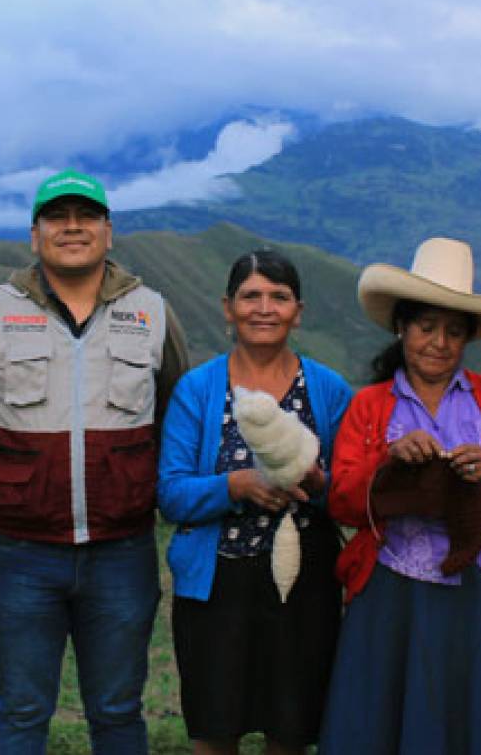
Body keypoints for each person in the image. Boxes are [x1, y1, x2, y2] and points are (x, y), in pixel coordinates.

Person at [0, 168, 190, 754]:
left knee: (117, 710)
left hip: (122, 550)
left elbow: (176, 408)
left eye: (86, 216)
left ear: (109, 232)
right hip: (20, 553)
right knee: (22, 710)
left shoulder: (152, 310)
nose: (72, 227)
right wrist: (7, 461)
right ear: (35, 235)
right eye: (57, 217)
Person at [321, 236, 481, 755]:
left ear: (469, 339)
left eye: (454, 331)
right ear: (401, 327)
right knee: (397, 717)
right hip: (395, 595)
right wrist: (388, 464)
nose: (438, 343)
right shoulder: (370, 407)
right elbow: (342, 499)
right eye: (426, 327)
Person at [156, 249, 352, 755]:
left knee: (290, 732)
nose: (264, 308)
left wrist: (318, 482)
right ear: (228, 308)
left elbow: (352, 491)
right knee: (215, 731)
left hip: (304, 587)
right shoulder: (198, 390)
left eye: (279, 297)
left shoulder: (328, 390)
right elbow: (172, 494)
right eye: (251, 296)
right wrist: (234, 487)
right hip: (217, 587)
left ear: (298, 311)